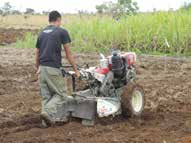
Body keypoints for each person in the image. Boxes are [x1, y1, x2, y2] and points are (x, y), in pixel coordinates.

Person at [35, 11, 80, 127]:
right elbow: (68, 53)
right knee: (62, 95)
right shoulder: (62, 31)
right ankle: (47, 112)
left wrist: (37, 69)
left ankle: (45, 123)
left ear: (49, 20)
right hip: (53, 69)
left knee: (47, 97)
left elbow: (37, 53)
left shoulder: (41, 33)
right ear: (58, 20)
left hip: (41, 69)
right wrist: (76, 70)